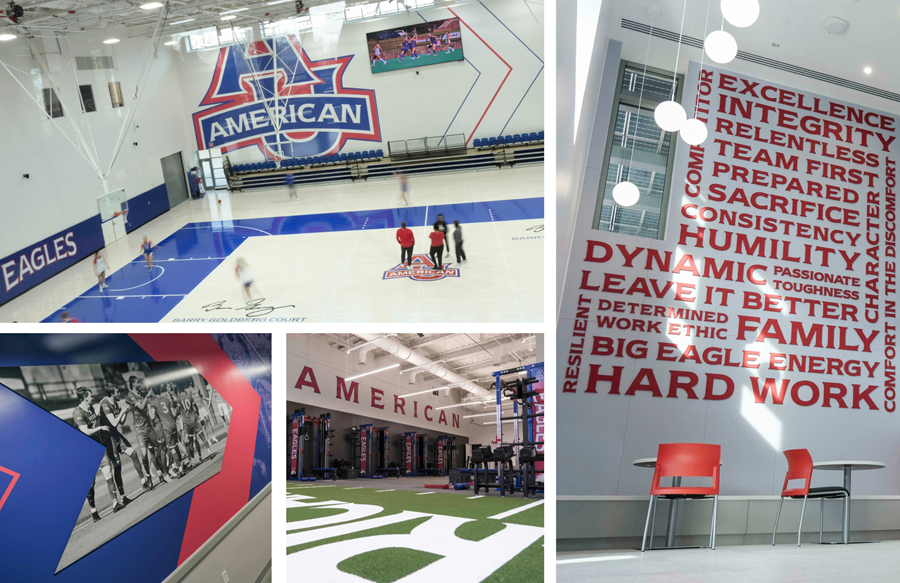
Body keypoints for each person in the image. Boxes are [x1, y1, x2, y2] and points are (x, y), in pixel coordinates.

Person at [73, 387, 126, 521]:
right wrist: (100, 428)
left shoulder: (90, 409)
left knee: (108, 475)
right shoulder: (77, 412)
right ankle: (94, 511)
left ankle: (115, 503)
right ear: (85, 397)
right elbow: (86, 431)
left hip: (99, 449)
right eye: (90, 396)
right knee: (91, 484)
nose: (92, 398)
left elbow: (94, 416)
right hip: (87, 452)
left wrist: (102, 404)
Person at [99, 383, 151, 491]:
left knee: (134, 453)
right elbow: (113, 423)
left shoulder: (116, 403)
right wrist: (122, 411)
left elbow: (121, 422)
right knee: (117, 466)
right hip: (109, 438)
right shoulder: (105, 404)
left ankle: (143, 481)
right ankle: (122, 495)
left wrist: (126, 412)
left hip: (116, 435)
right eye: (117, 392)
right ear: (112, 394)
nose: (119, 394)